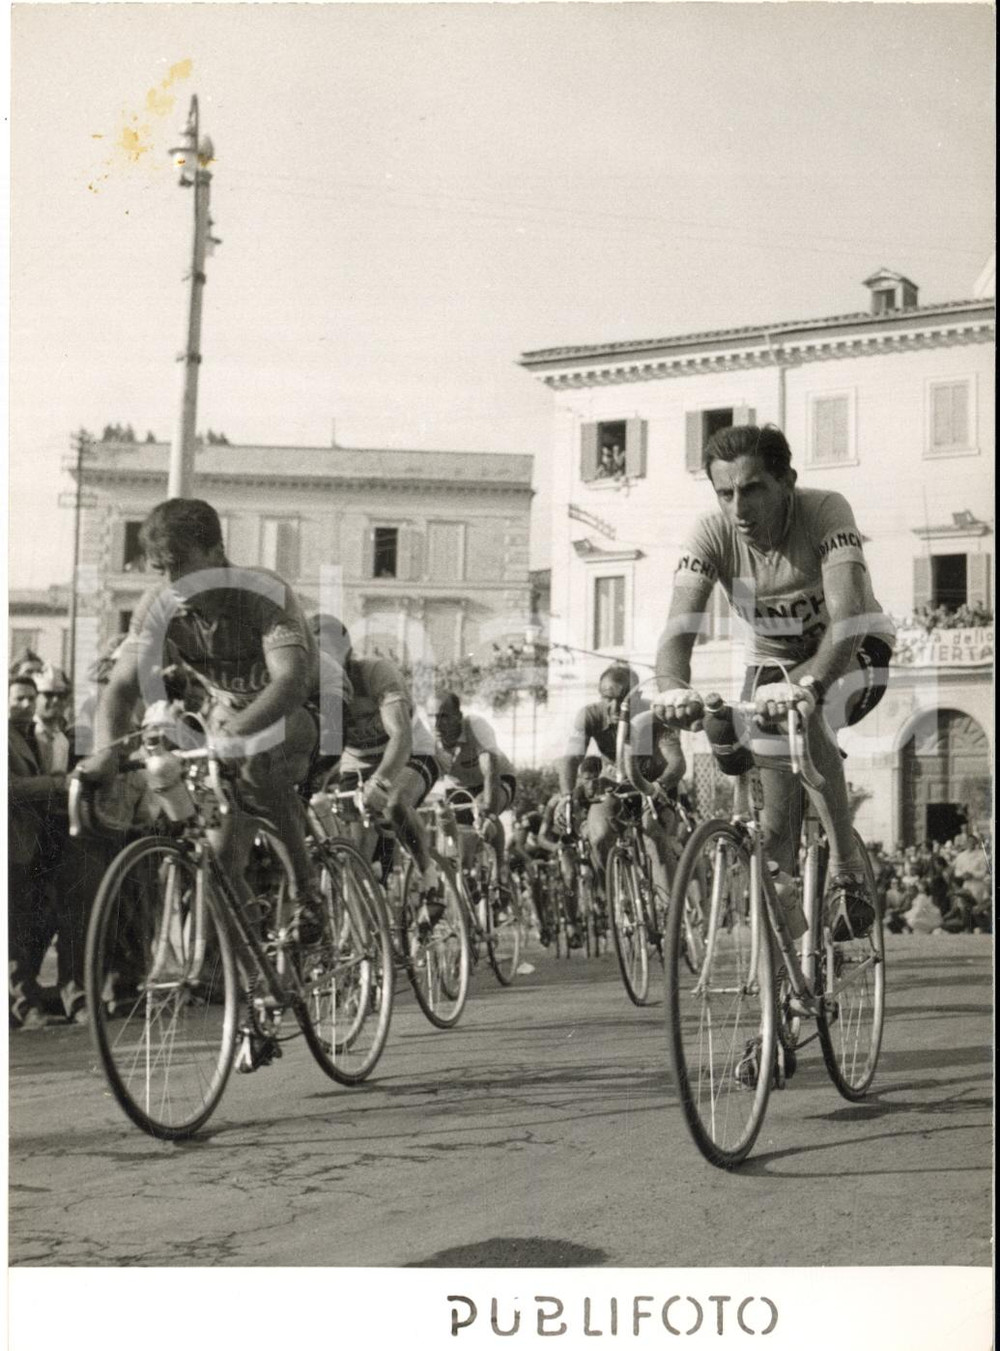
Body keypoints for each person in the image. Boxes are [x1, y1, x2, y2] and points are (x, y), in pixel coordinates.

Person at [655, 423, 895, 942]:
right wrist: (672, 686)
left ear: (787, 480)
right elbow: (677, 633)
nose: (738, 507)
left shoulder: (826, 510)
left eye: (752, 488)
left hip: (854, 649)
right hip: (772, 665)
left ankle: (848, 870)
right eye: (725, 493)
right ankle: (782, 991)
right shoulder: (711, 534)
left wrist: (809, 686)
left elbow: (848, 616)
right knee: (775, 835)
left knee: (804, 717)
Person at [77, 498, 323, 933]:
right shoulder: (160, 606)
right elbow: (119, 689)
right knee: (220, 865)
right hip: (226, 717)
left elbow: (290, 683)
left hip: (297, 711)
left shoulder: (262, 591)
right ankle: (258, 982)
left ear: (216, 551)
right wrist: (105, 753)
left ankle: (307, 891)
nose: (172, 582)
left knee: (256, 762)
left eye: (181, 566)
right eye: (160, 570)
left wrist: (235, 733)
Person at [312, 615, 443, 922]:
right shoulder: (313, 688)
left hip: (411, 751)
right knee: (356, 854)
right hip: (357, 762)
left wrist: (381, 780)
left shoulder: (375, 673)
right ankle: (370, 929)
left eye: (328, 653)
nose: (323, 663)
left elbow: (401, 735)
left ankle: (429, 875)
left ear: (346, 652)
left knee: (396, 803)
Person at [559, 664, 686, 911]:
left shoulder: (654, 714)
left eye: (622, 699)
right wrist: (566, 796)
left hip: (655, 785)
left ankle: (672, 914)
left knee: (653, 835)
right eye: (608, 699)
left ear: (637, 696)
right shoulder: (590, 716)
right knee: (599, 835)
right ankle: (616, 892)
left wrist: (660, 786)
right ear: (600, 696)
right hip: (617, 786)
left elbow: (677, 762)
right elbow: (572, 758)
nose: (615, 708)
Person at [8, 674, 65, 1029]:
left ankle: (23, 1001)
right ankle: (23, 1005)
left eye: (31, 698)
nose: (27, 705)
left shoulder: (34, 735)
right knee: (13, 928)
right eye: (19, 699)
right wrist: (55, 783)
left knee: (36, 922)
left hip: (32, 846)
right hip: (11, 845)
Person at [432, 692, 516, 908]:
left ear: (458, 716)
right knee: (459, 842)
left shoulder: (475, 725)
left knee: (485, 807)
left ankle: (500, 870)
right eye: (433, 717)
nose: (437, 724)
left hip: (497, 778)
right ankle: (467, 877)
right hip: (459, 786)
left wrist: (488, 809)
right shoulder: (431, 741)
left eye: (444, 717)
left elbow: (490, 771)